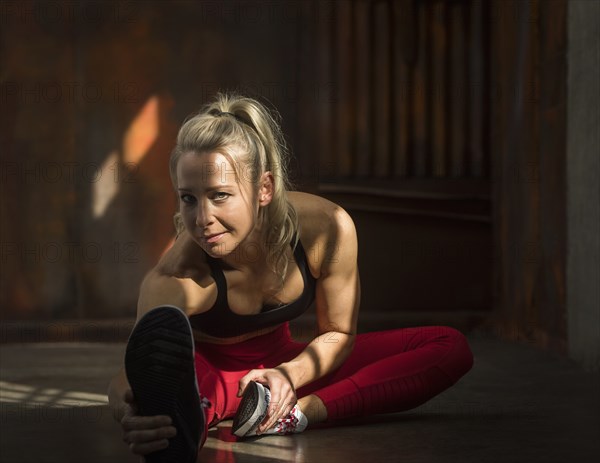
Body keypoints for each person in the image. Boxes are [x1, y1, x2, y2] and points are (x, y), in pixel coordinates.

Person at [107, 93, 474, 462]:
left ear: (264, 188)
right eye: (189, 199)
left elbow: (339, 333)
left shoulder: (325, 229)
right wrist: (131, 414)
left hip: (286, 365)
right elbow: (131, 375)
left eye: (220, 195)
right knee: (185, 408)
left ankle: (295, 414)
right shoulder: (177, 278)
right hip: (209, 376)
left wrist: (289, 375)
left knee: (449, 346)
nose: (202, 219)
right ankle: (198, 417)